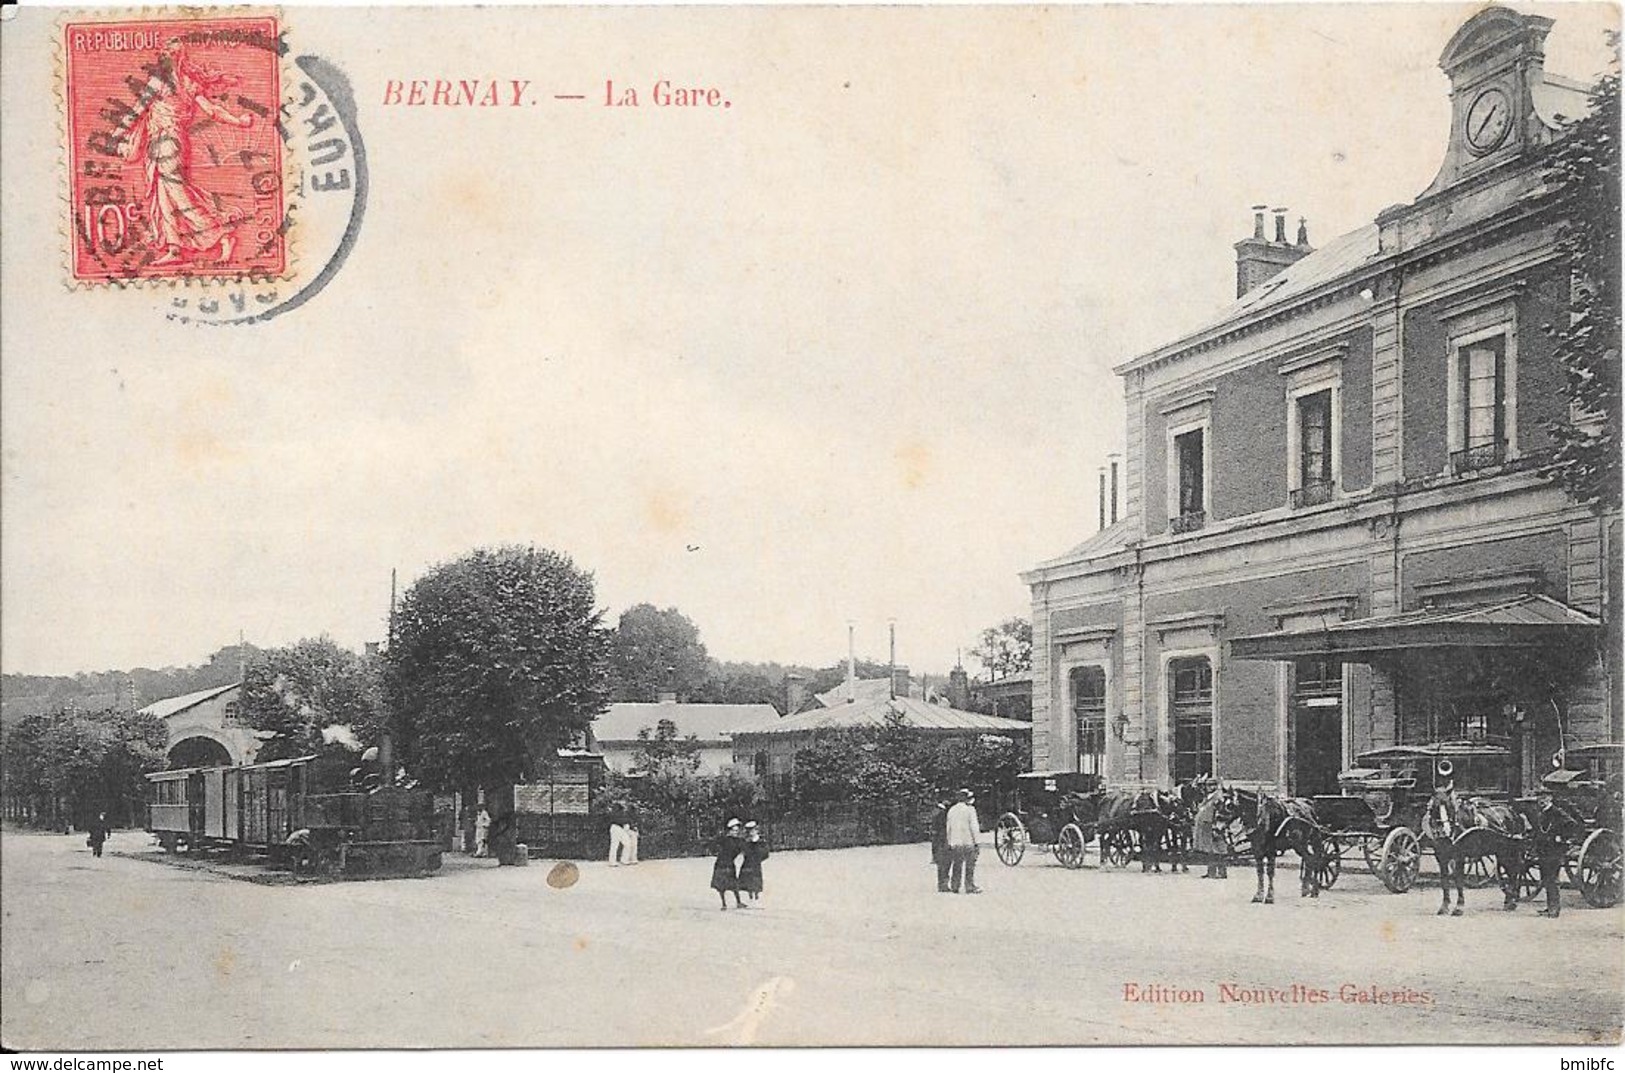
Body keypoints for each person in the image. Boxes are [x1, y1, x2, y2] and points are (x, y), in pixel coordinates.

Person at [116, 40, 258, 265]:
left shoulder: (162, 82)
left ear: (175, 58)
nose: (168, 58)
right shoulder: (188, 83)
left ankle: (222, 236)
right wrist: (238, 121)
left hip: (167, 142)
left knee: (178, 194)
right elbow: (212, 111)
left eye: (170, 54)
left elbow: (138, 110)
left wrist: (118, 133)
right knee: (164, 195)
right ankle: (175, 248)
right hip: (164, 142)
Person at [945, 789, 982, 894]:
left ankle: (955, 886)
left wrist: (949, 841)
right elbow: (974, 827)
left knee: (957, 864)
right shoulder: (970, 810)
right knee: (970, 866)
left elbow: (948, 828)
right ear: (966, 798)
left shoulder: (951, 810)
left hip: (955, 842)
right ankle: (969, 886)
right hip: (968, 841)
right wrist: (977, 842)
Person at [1192, 780, 1228, 879]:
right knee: (1210, 850)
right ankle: (1211, 872)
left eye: (1211, 785)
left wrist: (1217, 826)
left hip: (1214, 827)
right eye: (1208, 785)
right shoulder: (1208, 797)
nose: (1209, 787)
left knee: (1219, 849)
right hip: (1206, 827)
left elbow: (1220, 812)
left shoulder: (1218, 797)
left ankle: (1222, 872)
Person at [711, 818, 746, 910]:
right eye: (734, 830)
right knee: (721, 885)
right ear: (729, 830)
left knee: (734, 884)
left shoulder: (739, 841)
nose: (736, 832)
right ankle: (724, 904)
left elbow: (745, 848)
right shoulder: (724, 839)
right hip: (721, 863)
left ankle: (738, 902)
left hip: (729, 864)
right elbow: (713, 845)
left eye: (737, 831)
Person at [738, 821, 769, 902]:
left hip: (755, 863)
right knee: (747, 879)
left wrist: (759, 858)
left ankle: (756, 894)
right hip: (747, 863)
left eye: (753, 830)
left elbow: (766, 853)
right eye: (750, 831)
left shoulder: (761, 841)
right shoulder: (746, 841)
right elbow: (744, 851)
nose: (751, 832)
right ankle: (749, 894)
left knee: (756, 879)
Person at [930, 793, 952, 892]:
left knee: (942, 863)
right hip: (942, 840)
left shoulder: (937, 811)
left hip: (938, 841)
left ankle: (942, 884)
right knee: (945, 863)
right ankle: (943, 885)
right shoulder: (941, 813)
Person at [607, 800, 630, 866]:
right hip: (616, 827)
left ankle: (624, 860)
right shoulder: (616, 809)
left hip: (620, 828)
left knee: (627, 843)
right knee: (615, 845)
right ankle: (612, 862)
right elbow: (617, 819)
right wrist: (625, 823)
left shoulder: (623, 811)